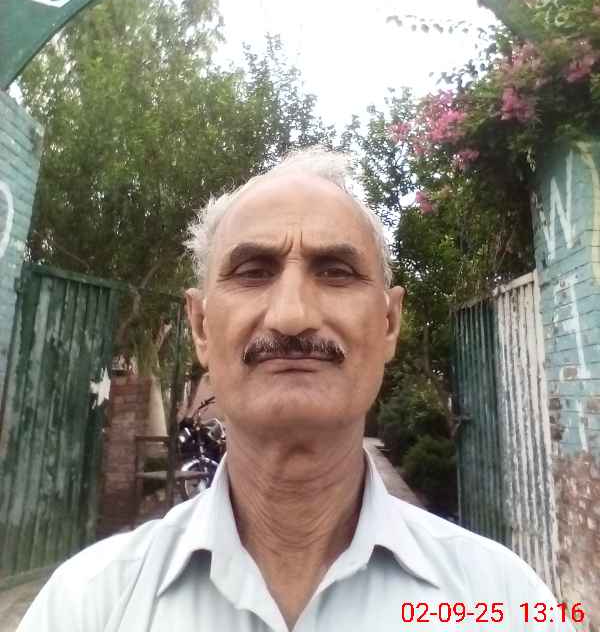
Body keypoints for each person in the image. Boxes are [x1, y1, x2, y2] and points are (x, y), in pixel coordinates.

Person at [18, 146, 573, 631]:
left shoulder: (503, 601)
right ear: (200, 327)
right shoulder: (85, 606)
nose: (291, 315)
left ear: (389, 324)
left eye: (335, 271)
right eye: (253, 271)